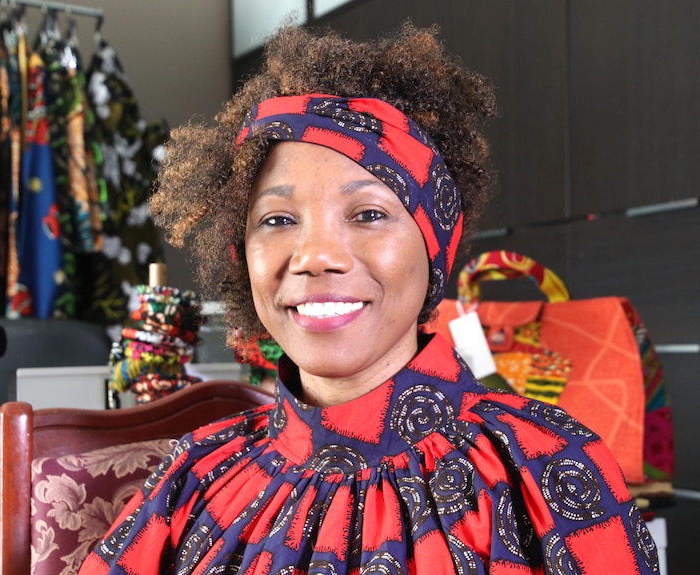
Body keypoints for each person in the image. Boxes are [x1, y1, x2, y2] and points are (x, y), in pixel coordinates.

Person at [81, 23, 659, 574]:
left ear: (431, 249)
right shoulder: (193, 477)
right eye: (278, 219)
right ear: (242, 255)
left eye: (369, 214)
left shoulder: (547, 469)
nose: (314, 256)